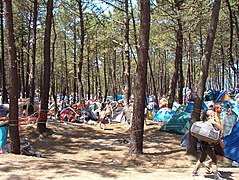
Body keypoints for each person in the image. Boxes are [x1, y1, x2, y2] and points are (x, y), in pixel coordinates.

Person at [192, 103, 225, 180]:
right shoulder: (210, 121)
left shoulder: (209, 121)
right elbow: (220, 128)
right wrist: (219, 127)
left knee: (202, 158)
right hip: (207, 144)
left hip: (204, 143)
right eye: (211, 113)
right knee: (213, 159)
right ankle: (216, 176)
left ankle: (195, 171)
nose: (212, 113)